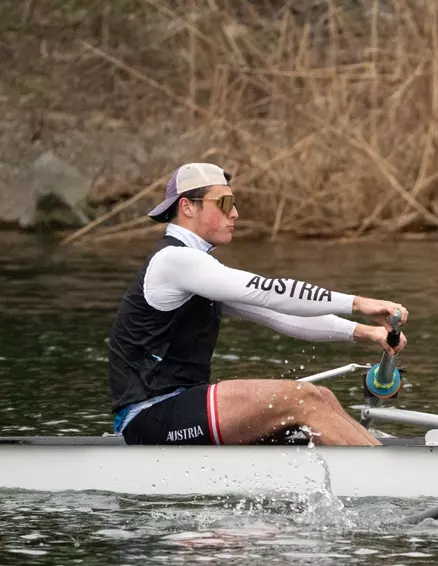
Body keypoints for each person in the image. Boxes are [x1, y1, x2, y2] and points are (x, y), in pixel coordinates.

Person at [108, 162, 408, 447]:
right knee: (301, 398)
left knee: (322, 395)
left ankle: (377, 465)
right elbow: (272, 293)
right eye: (225, 203)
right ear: (187, 207)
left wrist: (364, 332)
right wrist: (359, 303)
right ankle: (390, 483)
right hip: (152, 416)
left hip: (181, 408)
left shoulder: (199, 268)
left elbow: (279, 314)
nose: (235, 213)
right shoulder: (174, 260)